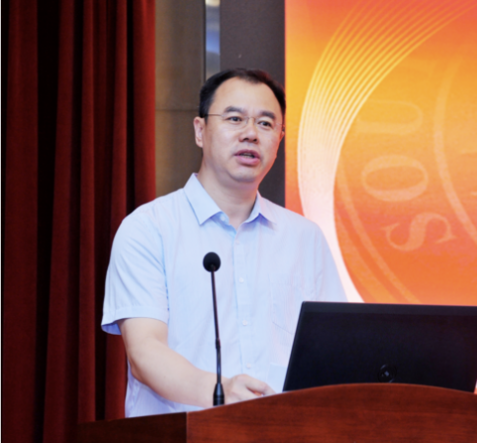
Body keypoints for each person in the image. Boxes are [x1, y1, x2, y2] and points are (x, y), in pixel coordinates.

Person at [102, 68, 347, 417]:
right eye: (235, 119)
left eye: (266, 124)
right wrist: (219, 392)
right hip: (182, 434)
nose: (251, 133)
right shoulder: (149, 229)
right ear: (200, 131)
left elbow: (333, 352)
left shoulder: (306, 239)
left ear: (280, 139)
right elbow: (144, 351)